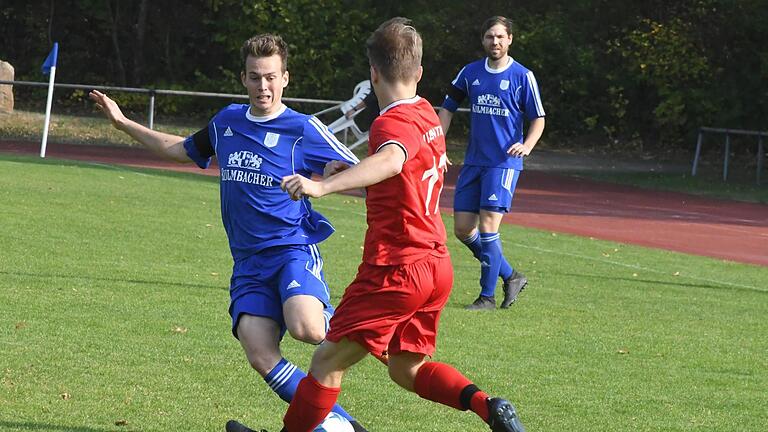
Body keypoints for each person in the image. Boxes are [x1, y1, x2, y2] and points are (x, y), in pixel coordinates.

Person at [245, 17, 526, 432]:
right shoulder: (427, 112)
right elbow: (400, 179)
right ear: (419, 72)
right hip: (436, 266)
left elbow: (393, 160)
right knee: (405, 369)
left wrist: (322, 187)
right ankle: (488, 405)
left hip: (397, 268)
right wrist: (350, 174)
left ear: (373, 73)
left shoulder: (388, 123)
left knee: (325, 362)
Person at [89, 34, 369, 432]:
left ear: (285, 78)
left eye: (271, 77)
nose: (263, 87)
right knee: (258, 350)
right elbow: (178, 149)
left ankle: (356, 322)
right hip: (248, 264)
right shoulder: (227, 122)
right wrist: (122, 123)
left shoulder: (303, 128)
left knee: (306, 327)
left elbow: (363, 170)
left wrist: (332, 177)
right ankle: (339, 424)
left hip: (291, 250)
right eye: (255, 77)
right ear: (243, 79)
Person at [438, 16, 546, 310]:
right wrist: (439, 145)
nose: (495, 42)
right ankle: (510, 275)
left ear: (510, 39)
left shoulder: (523, 76)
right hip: (474, 162)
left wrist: (527, 145)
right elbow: (446, 109)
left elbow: (538, 118)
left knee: (488, 226)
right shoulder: (470, 72)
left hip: (504, 164)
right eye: (490, 37)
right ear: (483, 39)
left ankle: (486, 297)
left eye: (500, 37)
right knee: (462, 229)